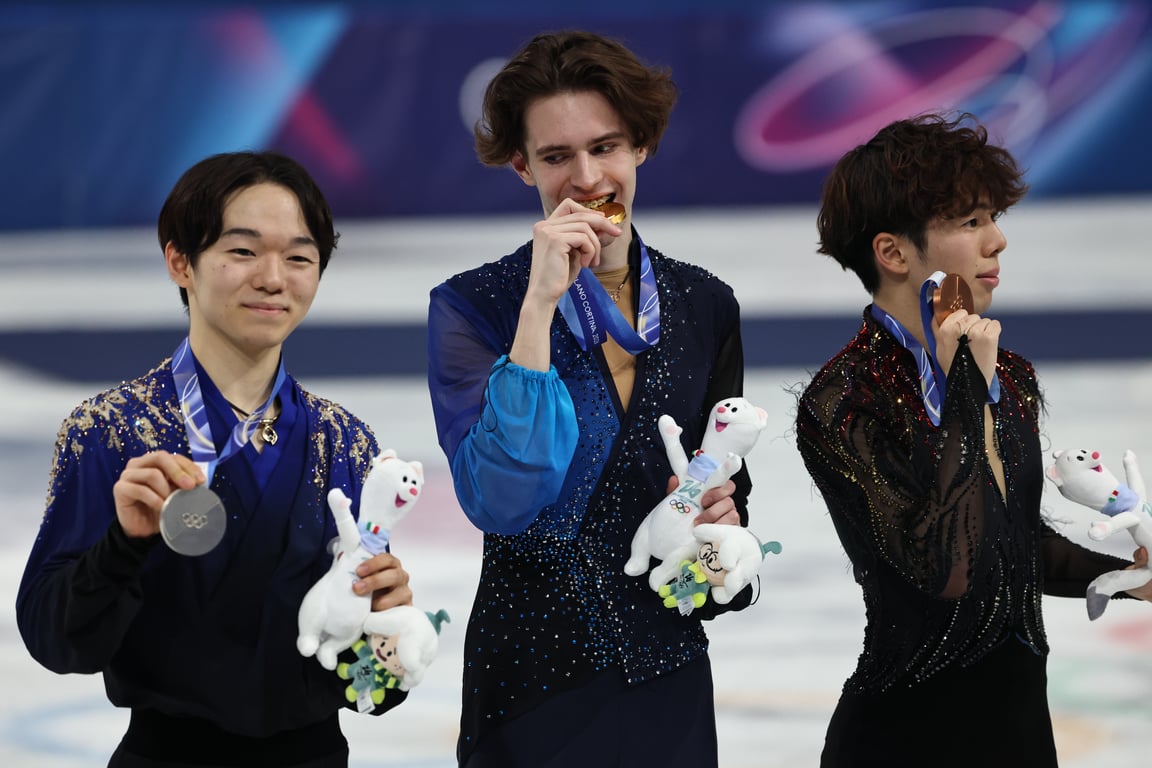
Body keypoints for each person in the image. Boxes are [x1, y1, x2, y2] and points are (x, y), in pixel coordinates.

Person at [16, 151, 414, 767]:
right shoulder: (110, 432)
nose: (274, 278)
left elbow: (368, 692)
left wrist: (390, 638)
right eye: (243, 251)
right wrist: (122, 546)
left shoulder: (346, 443)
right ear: (181, 262)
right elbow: (57, 645)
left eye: (300, 257)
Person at [426, 30, 755, 767]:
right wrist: (539, 306)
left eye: (605, 147)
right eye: (555, 157)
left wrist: (725, 532)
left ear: (641, 144)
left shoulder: (705, 303)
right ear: (521, 166)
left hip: (669, 678)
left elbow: (727, 485)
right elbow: (503, 500)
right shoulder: (473, 306)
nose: (586, 177)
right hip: (531, 691)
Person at [794, 112, 1152, 767]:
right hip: (902, 742)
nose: (998, 240)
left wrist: (1129, 578)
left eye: (993, 217)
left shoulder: (1009, 375)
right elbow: (946, 571)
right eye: (970, 221)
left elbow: (1014, 546)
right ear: (893, 253)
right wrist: (967, 393)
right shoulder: (843, 401)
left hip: (1020, 735)